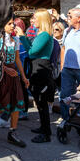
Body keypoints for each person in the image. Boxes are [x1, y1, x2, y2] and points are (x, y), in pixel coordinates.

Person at [0, 18, 29, 148]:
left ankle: (12, 132)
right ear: (2, 27)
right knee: (1, 106)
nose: (13, 25)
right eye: (9, 24)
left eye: (13, 23)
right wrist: (6, 69)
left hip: (14, 75)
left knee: (16, 104)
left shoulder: (16, 40)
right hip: (2, 75)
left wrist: (24, 77)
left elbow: (18, 59)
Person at [16, 8, 54, 143]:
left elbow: (32, 52)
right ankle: (44, 128)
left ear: (42, 20)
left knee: (41, 102)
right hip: (38, 66)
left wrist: (21, 36)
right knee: (39, 101)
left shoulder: (44, 35)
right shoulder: (41, 33)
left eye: (35, 18)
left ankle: (46, 133)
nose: (33, 20)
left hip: (41, 68)